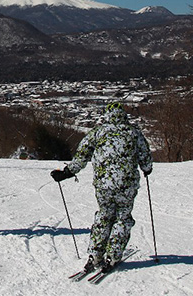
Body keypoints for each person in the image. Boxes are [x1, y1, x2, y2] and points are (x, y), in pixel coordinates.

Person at [51, 102, 152, 274]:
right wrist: (146, 169)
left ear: (107, 115)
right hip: (126, 186)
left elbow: (81, 156)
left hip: (103, 185)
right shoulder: (134, 133)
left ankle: (95, 255)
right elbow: (145, 158)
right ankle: (113, 255)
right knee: (122, 217)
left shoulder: (97, 133)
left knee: (104, 215)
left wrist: (67, 172)